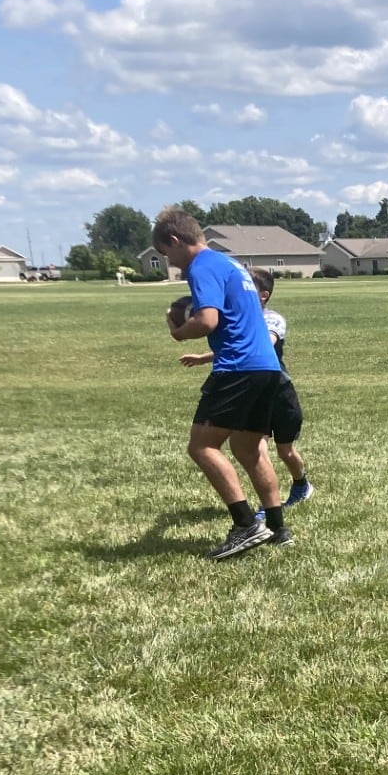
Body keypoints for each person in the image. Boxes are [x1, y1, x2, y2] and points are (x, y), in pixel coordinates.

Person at [155, 205, 295, 559]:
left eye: (166, 253)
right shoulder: (230, 264)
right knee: (248, 450)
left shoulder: (201, 267)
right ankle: (279, 527)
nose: (170, 262)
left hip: (237, 368)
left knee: (202, 446)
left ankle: (246, 524)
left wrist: (178, 332)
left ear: (174, 240)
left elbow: (206, 321)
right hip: (266, 367)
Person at [178, 265, 312, 508]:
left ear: (263, 296)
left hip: (279, 393)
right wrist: (203, 357)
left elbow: (265, 342)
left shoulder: (272, 319)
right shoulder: (240, 319)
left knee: (286, 452)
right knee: (257, 447)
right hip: (253, 391)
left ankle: (301, 482)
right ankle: (269, 505)